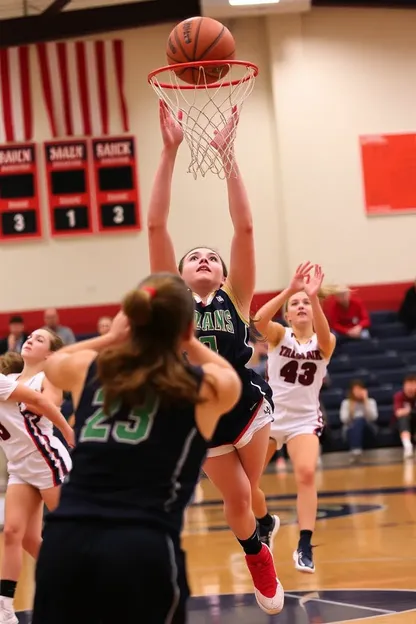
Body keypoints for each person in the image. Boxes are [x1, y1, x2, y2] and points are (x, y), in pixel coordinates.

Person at [31, 273, 241, 624]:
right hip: (142, 546)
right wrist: (191, 341)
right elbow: (231, 377)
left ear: (129, 318)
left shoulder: (91, 371)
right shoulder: (201, 388)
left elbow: (53, 364)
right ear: (186, 327)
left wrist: (111, 338)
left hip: (65, 542)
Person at [146, 101, 283, 614]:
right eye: (194, 257)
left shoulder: (237, 299)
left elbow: (244, 228)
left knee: (252, 492)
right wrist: (169, 150)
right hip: (198, 412)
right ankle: (258, 556)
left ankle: (259, 529)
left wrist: (228, 155)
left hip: (245, 403)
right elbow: (157, 227)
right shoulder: (172, 297)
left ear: (224, 275)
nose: (203, 259)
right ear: (177, 274)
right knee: (241, 500)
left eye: (211, 258)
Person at [255, 263, 337, 574]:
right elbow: (258, 320)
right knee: (246, 485)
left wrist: (313, 297)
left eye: (305, 303)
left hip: (304, 421)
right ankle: (265, 522)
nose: (301, 306)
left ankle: (304, 544)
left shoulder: (324, 342)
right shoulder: (278, 335)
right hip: (270, 418)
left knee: (305, 474)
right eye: (295, 304)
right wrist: (289, 290)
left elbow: (326, 333)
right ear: (288, 315)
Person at [0, 336, 74, 624]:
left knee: (77, 532)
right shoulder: (9, 378)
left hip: (46, 462)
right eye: (30, 336)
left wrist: (67, 431)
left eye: (39, 339)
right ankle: (5, 611)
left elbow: (48, 401)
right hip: (20, 467)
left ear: (50, 354)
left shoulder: (48, 375)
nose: (30, 340)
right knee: (17, 535)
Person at [339, 379, 378, 462]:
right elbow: (344, 420)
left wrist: (366, 402)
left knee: (360, 420)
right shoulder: (346, 403)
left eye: (360, 389)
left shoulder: (371, 402)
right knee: (357, 422)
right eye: (355, 390)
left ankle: (356, 450)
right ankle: (356, 450)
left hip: (368, 430)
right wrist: (351, 411)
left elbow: (373, 418)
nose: (358, 392)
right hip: (350, 431)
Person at [393, 374, 416, 459]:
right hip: (400, 424)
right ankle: (407, 446)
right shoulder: (399, 396)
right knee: (403, 418)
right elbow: (398, 413)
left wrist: (408, 411)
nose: (411, 388)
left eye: (413, 385)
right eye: (408, 385)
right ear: (404, 386)